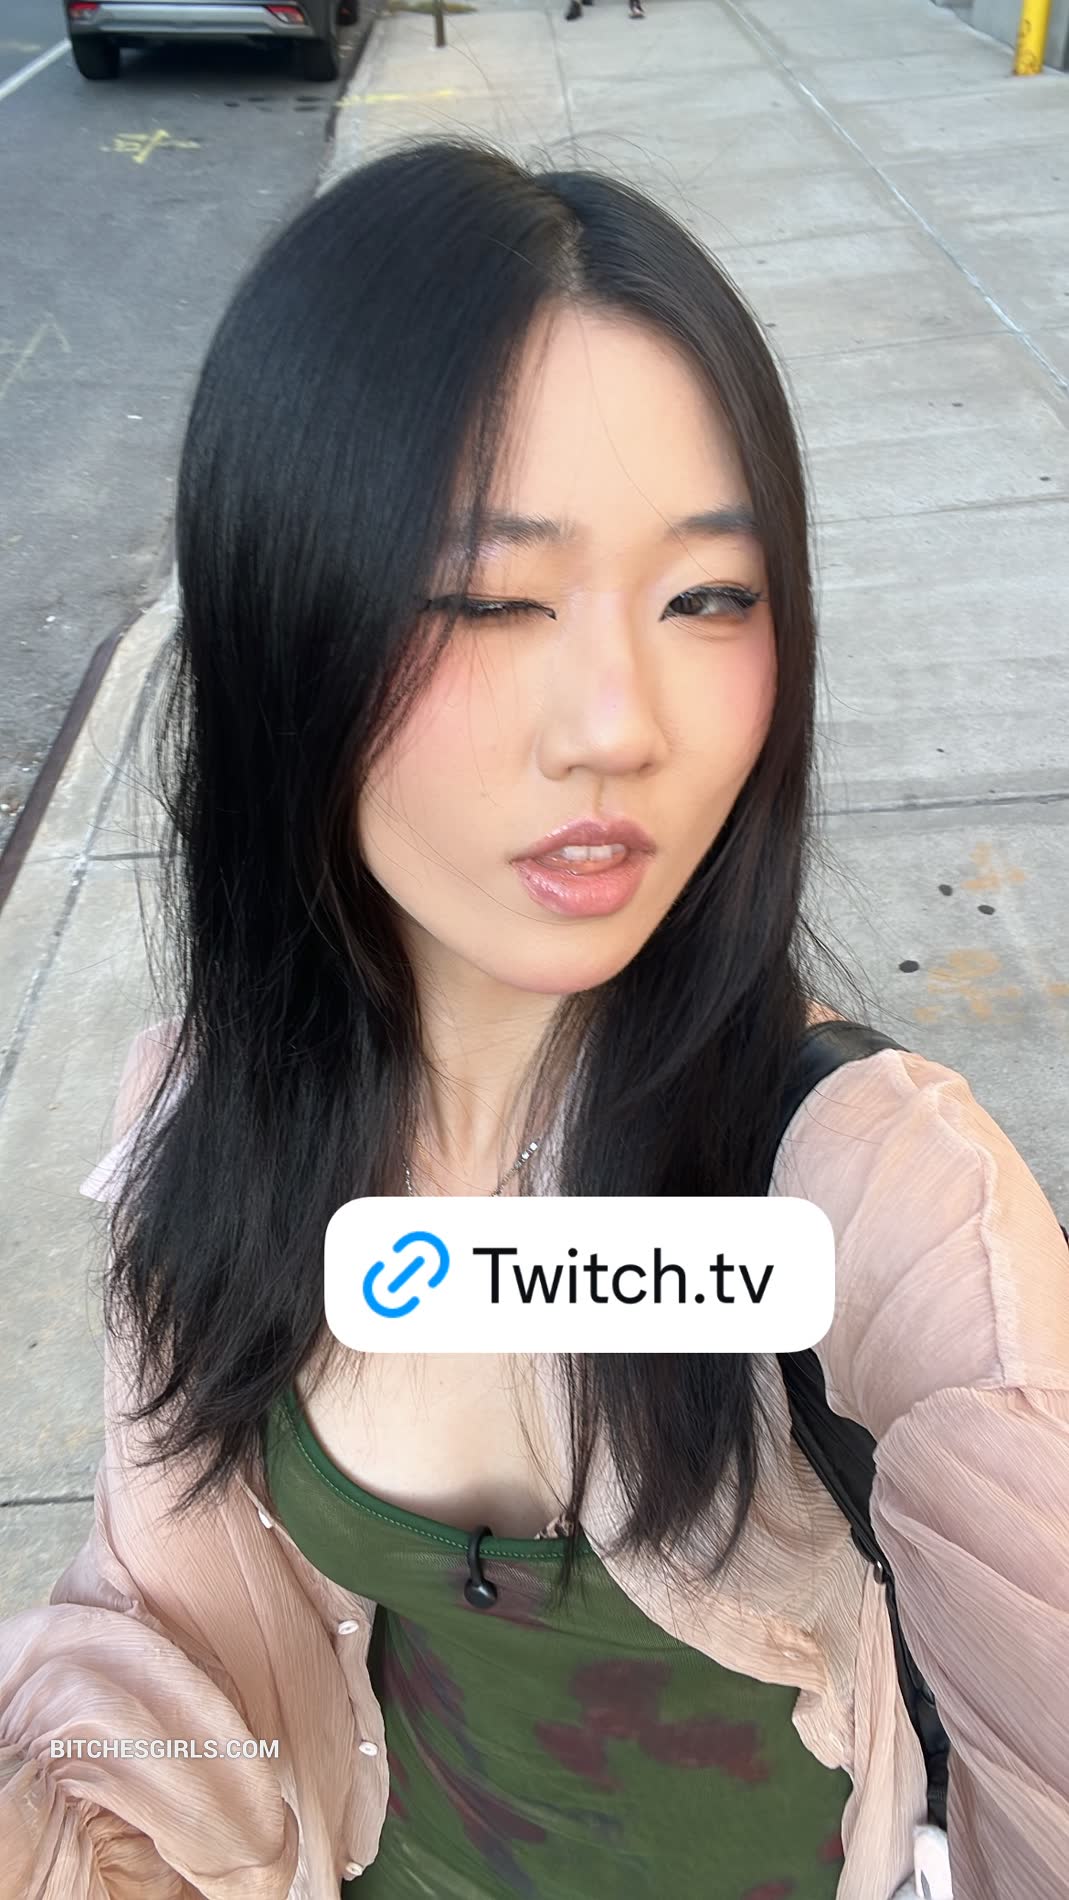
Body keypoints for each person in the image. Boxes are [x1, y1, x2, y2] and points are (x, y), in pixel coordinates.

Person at [1, 137, 1066, 1900]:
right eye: (489, 600)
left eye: (707, 598)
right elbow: (174, 1672)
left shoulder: (886, 1216)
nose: (617, 725)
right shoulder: (201, 1118)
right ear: (283, 627)